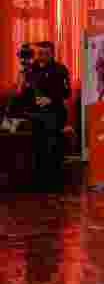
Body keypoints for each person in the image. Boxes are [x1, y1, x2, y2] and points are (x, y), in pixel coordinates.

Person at [14, 41, 71, 191]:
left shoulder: (60, 69)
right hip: (34, 112)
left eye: (44, 53)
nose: (40, 56)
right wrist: (21, 82)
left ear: (52, 54)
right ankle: (34, 178)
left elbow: (67, 93)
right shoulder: (30, 70)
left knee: (49, 135)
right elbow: (21, 94)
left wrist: (50, 99)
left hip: (55, 111)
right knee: (32, 136)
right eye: (39, 53)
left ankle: (51, 179)